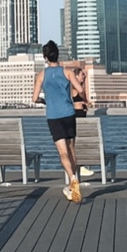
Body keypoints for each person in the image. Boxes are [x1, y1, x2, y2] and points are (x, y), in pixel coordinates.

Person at [33, 41, 85, 203]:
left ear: (45, 57)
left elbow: (34, 98)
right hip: (69, 114)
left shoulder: (42, 75)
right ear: (57, 55)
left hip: (53, 116)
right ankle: (73, 183)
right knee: (71, 150)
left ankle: (72, 179)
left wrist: (45, 101)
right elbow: (81, 90)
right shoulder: (67, 72)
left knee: (63, 153)